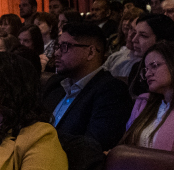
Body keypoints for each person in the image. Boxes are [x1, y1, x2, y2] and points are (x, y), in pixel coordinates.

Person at [44, 23, 132, 152]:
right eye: (57, 46)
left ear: (91, 52)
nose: (57, 53)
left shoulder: (112, 91)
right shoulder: (55, 84)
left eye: (65, 47)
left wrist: (43, 142)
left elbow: (92, 145)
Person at [127, 14, 174, 97]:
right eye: (135, 33)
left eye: (143, 35)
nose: (134, 40)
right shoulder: (137, 68)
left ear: (162, 40)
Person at [103, 8, 145, 77]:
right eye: (131, 29)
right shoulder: (115, 56)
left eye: (142, 35)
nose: (131, 36)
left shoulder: (146, 64)